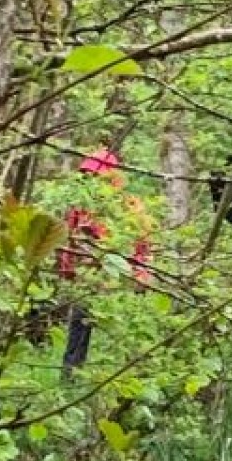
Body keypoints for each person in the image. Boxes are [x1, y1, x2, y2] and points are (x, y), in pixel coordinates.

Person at [56, 149, 151, 374]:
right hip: (88, 277)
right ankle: (70, 377)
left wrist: (140, 274)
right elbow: (71, 240)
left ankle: (116, 381)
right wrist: (68, 272)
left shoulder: (129, 205)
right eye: (89, 175)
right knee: (79, 328)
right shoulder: (81, 207)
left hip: (120, 276)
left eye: (97, 175)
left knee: (118, 333)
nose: (93, 181)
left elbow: (143, 241)